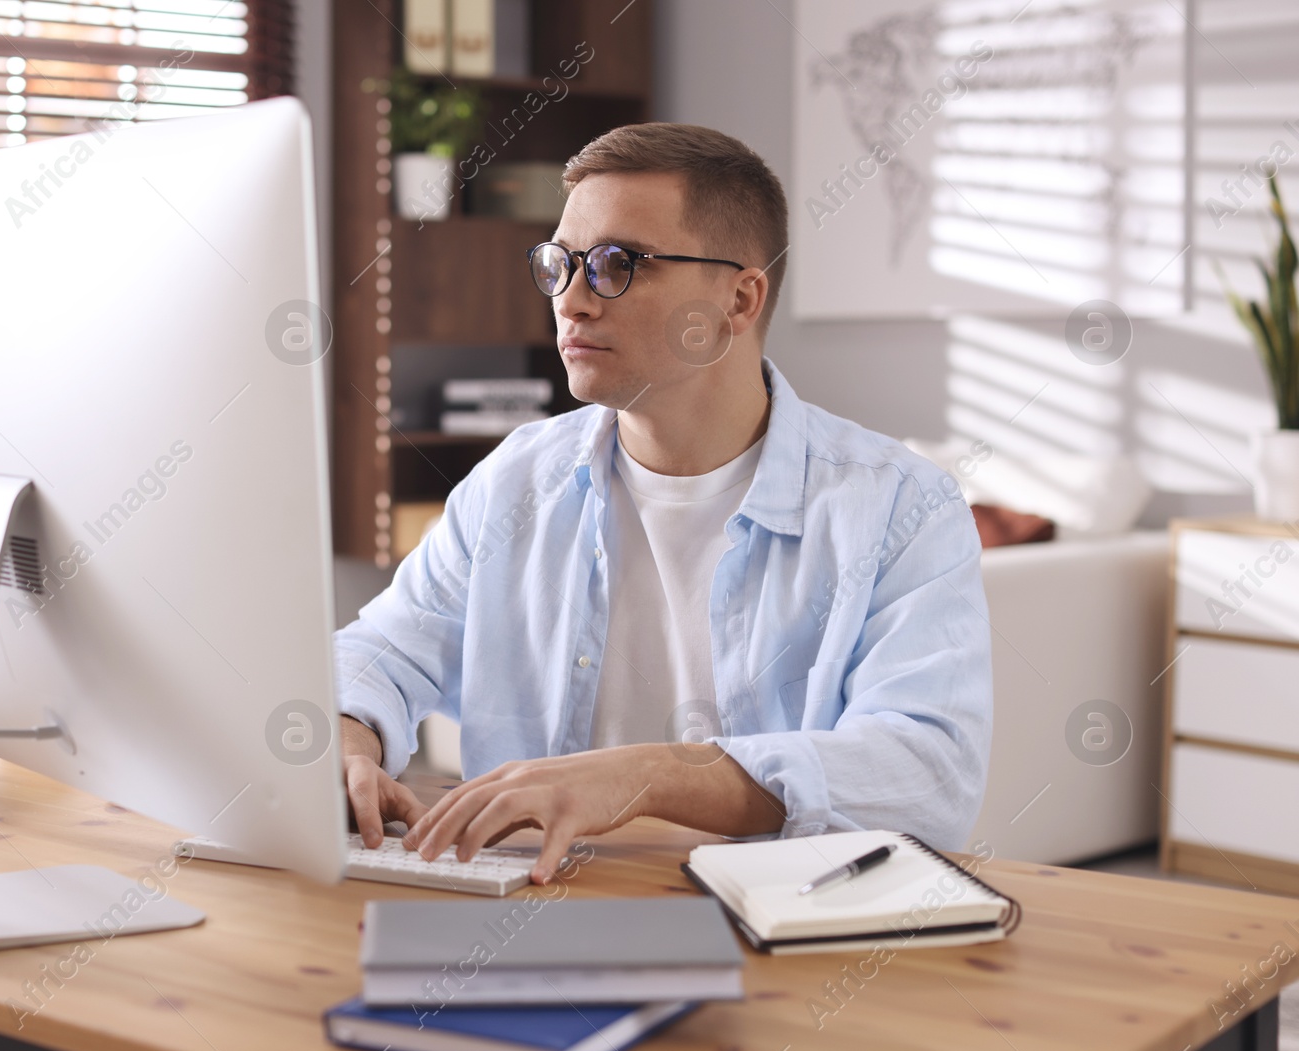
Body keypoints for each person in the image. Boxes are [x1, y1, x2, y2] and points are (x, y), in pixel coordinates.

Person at [332, 122, 992, 884]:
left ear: (739, 299)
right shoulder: (515, 480)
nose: (572, 301)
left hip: (786, 938)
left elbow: (929, 773)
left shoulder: (900, 505)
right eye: (560, 264)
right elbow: (378, 652)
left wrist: (642, 776)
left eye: (618, 264)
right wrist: (349, 744)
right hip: (530, 919)